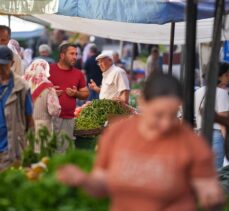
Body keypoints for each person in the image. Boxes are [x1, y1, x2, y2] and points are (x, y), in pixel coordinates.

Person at [57, 73, 224, 211]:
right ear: (143, 102)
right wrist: (83, 180)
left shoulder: (191, 143)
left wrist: (211, 195)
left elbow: (206, 187)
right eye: (158, 115)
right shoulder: (117, 134)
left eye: (172, 115)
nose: (166, 124)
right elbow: (101, 184)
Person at [49, 43, 89, 151]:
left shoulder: (78, 74)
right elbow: (36, 90)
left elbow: (85, 93)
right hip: (49, 118)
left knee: (63, 151)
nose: (75, 57)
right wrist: (50, 92)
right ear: (62, 55)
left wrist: (76, 94)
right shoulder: (49, 70)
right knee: (48, 150)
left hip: (68, 119)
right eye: (72, 54)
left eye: (76, 54)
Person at [0, 46, 33, 170]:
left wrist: (29, 148)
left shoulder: (21, 87)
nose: (1, 69)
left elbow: (29, 119)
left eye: (4, 65)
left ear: (12, 63)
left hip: (10, 148)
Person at [195, 62, 229, 169]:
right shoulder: (221, 93)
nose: (228, 78)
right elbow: (223, 122)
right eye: (226, 75)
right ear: (218, 75)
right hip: (216, 136)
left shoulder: (198, 91)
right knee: (216, 174)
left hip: (200, 135)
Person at [23, 59, 61, 134]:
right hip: (43, 127)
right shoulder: (48, 86)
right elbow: (54, 111)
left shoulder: (21, 83)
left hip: (25, 125)